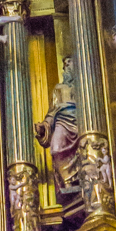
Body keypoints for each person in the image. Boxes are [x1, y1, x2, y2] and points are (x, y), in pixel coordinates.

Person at [34, 56, 79, 195]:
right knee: (56, 149)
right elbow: (53, 110)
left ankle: (80, 178)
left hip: (81, 119)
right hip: (62, 120)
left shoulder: (83, 84)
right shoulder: (59, 88)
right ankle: (68, 181)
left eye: (69, 63)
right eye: (65, 65)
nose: (66, 67)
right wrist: (44, 125)